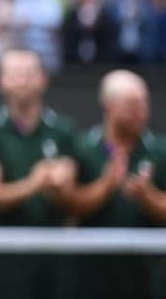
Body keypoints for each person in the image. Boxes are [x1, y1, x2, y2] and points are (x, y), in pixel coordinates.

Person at [0, 48, 81, 299]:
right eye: (15, 74)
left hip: (56, 252)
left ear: (43, 79)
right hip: (5, 253)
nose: (23, 80)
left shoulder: (64, 131)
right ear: (1, 81)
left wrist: (62, 186)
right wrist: (35, 182)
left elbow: (74, 199)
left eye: (30, 73)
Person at [68, 70, 166, 297]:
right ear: (108, 105)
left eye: (145, 104)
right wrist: (106, 185)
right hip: (91, 273)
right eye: (132, 105)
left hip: (146, 275)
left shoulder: (161, 150)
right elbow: (69, 208)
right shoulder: (82, 147)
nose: (141, 112)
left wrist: (146, 196)